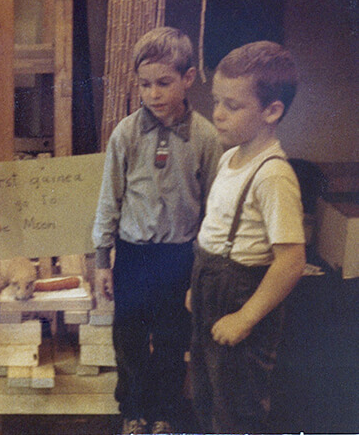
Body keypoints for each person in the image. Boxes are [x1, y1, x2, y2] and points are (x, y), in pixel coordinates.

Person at [92, 26, 222, 434]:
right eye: (144, 84)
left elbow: (213, 206)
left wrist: (203, 264)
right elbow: (108, 198)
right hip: (133, 254)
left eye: (163, 83)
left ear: (188, 78)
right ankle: (132, 409)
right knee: (128, 338)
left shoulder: (205, 137)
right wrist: (101, 259)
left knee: (171, 339)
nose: (153, 94)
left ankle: (164, 411)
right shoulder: (125, 134)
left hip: (179, 256)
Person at [186, 41, 306, 433]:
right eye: (216, 101)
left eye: (232, 106)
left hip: (242, 294)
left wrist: (246, 317)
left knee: (237, 403)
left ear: (272, 111)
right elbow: (216, 231)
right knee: (205, 391)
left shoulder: (273, 175)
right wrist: (199, 289)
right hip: (211, 285)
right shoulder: (229, 156)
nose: (217, 115)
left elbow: (291, 261)